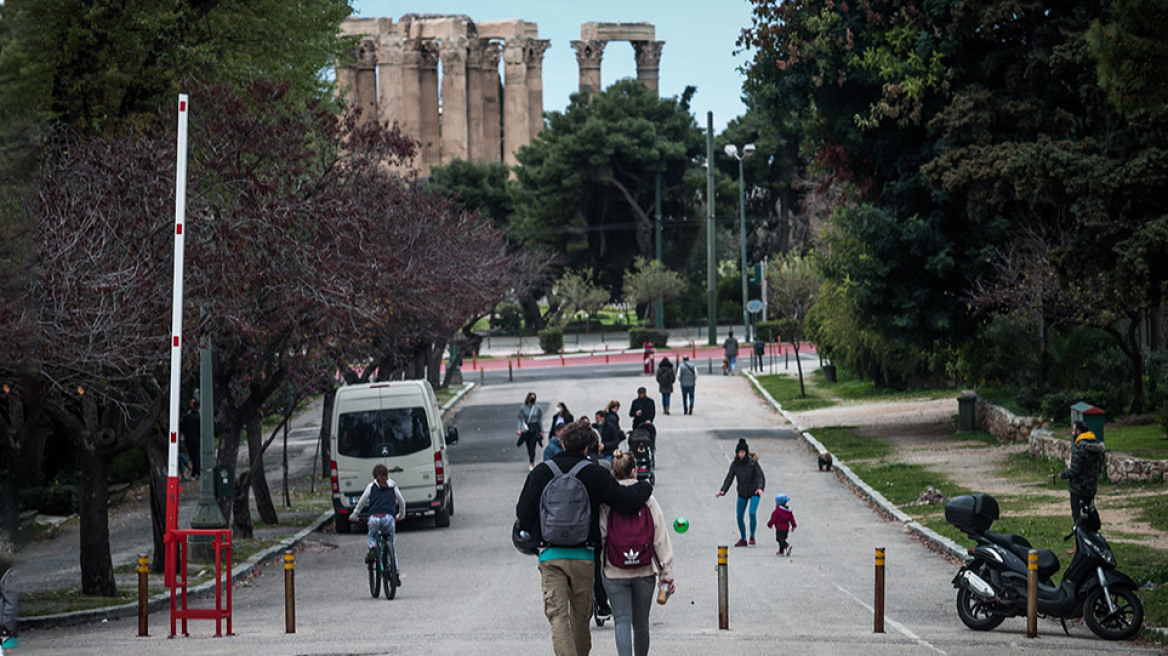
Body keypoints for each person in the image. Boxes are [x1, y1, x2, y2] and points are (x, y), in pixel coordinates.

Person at [515, 419, 654, 656]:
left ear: (561, 442)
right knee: (581, 619)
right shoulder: (595, 473)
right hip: (584, 556)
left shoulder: (541, 473)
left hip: (550, 556)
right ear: (588, 447)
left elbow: (523, 515)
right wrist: (645, 486)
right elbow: (624, 500)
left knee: (558, 618)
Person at [600, 451, 675, 656]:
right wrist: (666, 574)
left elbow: (602, 535)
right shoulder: (648, 499)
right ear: (634, 471)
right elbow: (660, 537)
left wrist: (600, 570)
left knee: (621, 622)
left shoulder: (607, 501)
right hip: (644, 570)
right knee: (641, 623)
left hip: (614, 571)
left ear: (613, 473)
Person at [350, 464, 406, 574]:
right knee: (390, 543)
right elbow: (402, 501)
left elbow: (362, 501)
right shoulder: (393, 486)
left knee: (372, 536)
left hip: (374, 518)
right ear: (387, 474)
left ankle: (372, 548)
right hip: (389, 518)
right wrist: (400, 515)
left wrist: (354, 515)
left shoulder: (371, 486)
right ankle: (395, 571)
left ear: (375, 476)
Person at [715, 439, 766, 546]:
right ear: (737, 453)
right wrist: (723, 490)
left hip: (754, 491)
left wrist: (760, 488)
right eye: (739, 452)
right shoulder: (735, 464)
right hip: (742, 492)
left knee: (752, 513)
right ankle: (743, 538)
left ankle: (752, 536)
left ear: (746, 452)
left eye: (743, 452)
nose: (741, 454)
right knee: (739, 516)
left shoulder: (753, 463)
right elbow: (729, 478)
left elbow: (760, 476)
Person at [1055, 420, 1106, 524]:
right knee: (1088, 514)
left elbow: (1075, 470)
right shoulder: (1096, 445)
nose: (1072, 433)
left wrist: (1062, 474)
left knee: (1078, 517)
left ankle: (1080, 538)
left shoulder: (1079, 447)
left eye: (1073, 430)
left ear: (1078, 431)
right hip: (1091, 487)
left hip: (1078, 489)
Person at [517, 392, 545, 470]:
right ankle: (531, 458)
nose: (533, 399)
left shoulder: (537, 407)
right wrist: (519, 428)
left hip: (535, 427)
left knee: (533, 445)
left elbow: (539, 419)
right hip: (527, 428)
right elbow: (520, 418)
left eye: (534, 398)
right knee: (528, 446)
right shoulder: (523, 408)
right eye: (531, 398)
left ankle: (531, 462)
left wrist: (541, 430)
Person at [179, 397, 201, 479]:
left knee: (192, 456)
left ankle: (195, 471)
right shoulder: (198, 417)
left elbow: (182, 427)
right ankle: (197, 472)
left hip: (188, 440)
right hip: (197, 439)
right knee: (197, 456)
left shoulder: (186, 417)